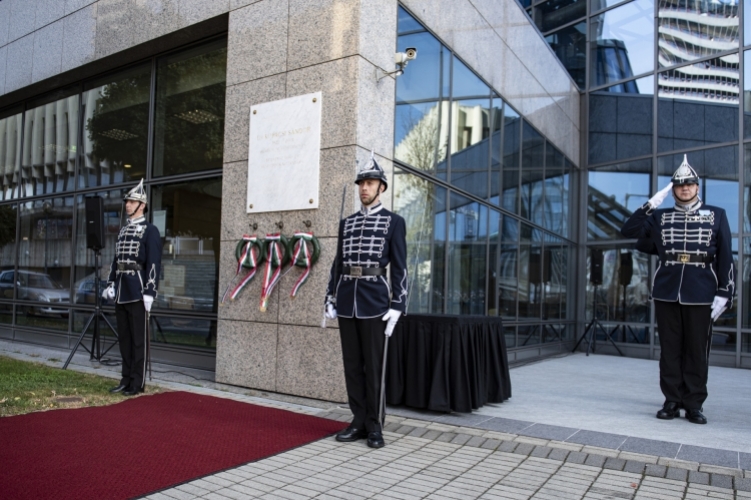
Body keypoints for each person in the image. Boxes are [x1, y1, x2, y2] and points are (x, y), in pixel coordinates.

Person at [621, 155, 734, 424]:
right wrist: (651, 204)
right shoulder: (660, 217)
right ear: (673, 189)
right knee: (670, 349)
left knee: (696, 350)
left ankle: (693, 403)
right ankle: (671, 400)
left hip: (701, 291)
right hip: (667, 290)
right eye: (680, 185)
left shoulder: (717, 215)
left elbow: (726, 256)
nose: (685, 189)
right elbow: (628, 231)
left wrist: (725, 291)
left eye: (689, 184)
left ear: (697, 187)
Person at [325, 152, 408, 448]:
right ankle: (358, 420)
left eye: (370, 183)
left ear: (381, 187)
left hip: (375, 303)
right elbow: (338, 263)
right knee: (352, 366)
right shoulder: (346, 224)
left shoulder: (394, 222)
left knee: (374, 368)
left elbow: (400, 267)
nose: (364, 188)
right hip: (347, 301)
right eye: (361, 183)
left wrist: (398, 305)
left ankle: (375, 425)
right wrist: (330, 297)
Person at [103, 179, 162, 396]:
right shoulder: (122, 230)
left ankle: (137, 382)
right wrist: (111, 283)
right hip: (121, 290)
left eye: (132, 202)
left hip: (138, 291)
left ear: (142, 205)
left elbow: (154, 263)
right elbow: (116, 260)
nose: (127, 205)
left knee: (138, 341)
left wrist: (150, 291)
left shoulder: (150, 231)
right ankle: (125, 379)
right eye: (127, 202)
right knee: (125, 339)